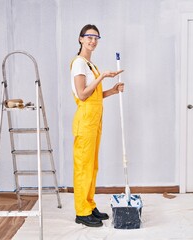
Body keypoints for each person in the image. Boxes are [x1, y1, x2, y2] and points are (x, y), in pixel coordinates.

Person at [70, 24, 124, 227]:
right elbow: (83, 94)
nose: (93, 41)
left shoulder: (90, 64)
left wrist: (112, 90)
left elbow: (95, 96)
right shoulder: (78, 63)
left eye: (96, 37)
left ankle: (89, 205)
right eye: (89, 37)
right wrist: (102, 77)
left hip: (95, 120)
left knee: (92, 166)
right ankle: (81, 212)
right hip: (85, 120)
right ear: (80, 39)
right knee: (83, 167)